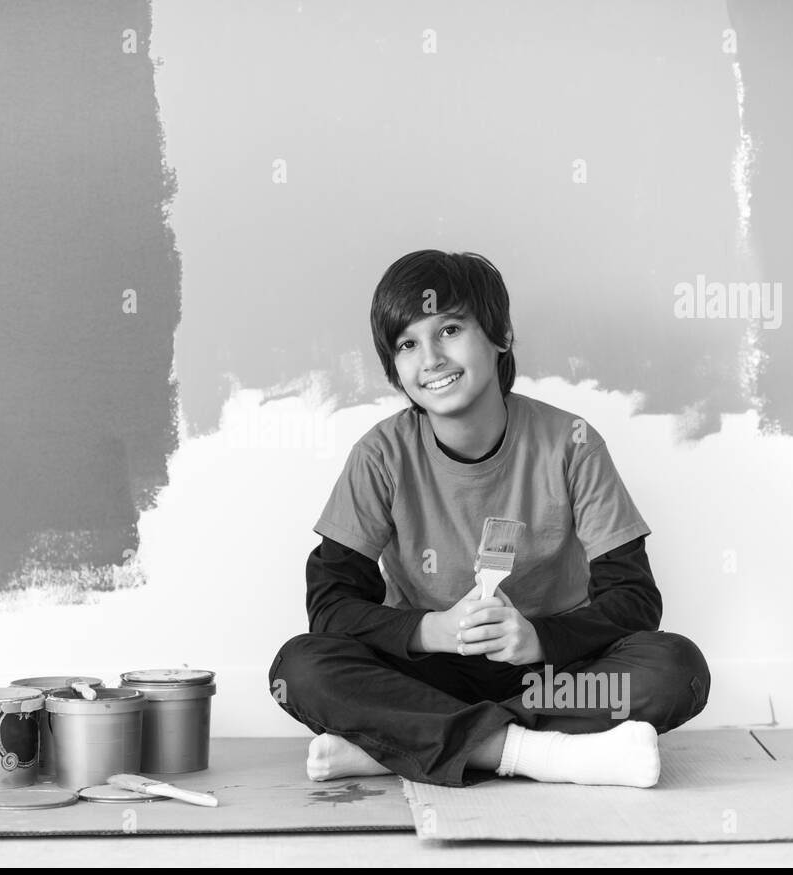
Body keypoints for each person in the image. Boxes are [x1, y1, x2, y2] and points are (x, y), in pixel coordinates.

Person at [268, 250, 711, 788]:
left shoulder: (572, 443)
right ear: (394, 368)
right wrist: (433, 630)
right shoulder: (379, 456)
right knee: (299, 668)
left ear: (500, 335)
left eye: (449, 330)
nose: (431, 359)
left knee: (675, 669)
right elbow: (331, 607)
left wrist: (538, 640)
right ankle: (535, 752)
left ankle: (400, 744)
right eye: (407, 344)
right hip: (427, 677)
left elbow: (634, 599)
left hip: (550, 681)